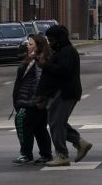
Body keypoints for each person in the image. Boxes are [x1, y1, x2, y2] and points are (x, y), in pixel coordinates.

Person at [36, 25, 93, 166]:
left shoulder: (67, 51)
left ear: (59, 39)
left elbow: (64, 71)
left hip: (65, 92)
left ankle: (62, 155)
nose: (50, 43)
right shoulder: (60, 51)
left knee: (56, 123)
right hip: (61, 92)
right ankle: (80, 143)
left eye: (51, 40)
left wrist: (46, 65)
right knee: (58, 122)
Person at [11, 34, 53, 165]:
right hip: (29, 100)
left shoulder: (40, 60)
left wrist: (40, 99)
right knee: (39, 128)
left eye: (30, 44)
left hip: (31, 101)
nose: (27, 46)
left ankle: (26, 154)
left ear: (38, 46)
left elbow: (41, 81)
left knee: (22, 124)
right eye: (28, 44)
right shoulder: (35, 58)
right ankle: (46, 154)